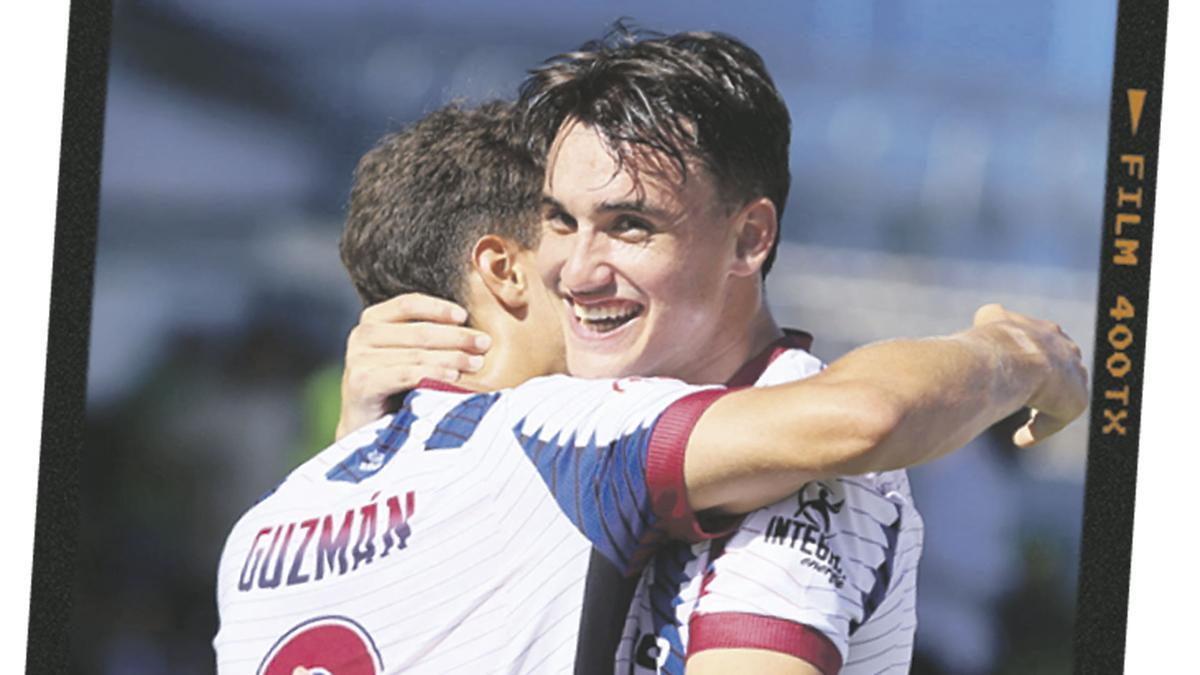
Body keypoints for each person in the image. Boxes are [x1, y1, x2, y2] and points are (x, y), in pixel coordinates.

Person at [335, 30, 1087, 674]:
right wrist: (366, 459)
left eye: (630, 225)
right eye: (561, 221)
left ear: (750, 238)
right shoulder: (573, 422)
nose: (577, 269)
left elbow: (864, 417)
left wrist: (1011, 353)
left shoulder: (805, 456)